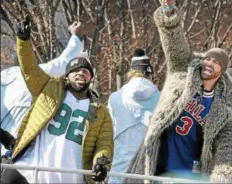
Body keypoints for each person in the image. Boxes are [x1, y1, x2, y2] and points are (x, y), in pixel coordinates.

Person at [125, 0, 232, 183]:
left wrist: (223, 178)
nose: (209, 63)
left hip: (189, 175)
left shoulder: (224, 109)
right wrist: (168, 11)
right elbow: (174, 42)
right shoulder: (182, 72)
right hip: (156, 164)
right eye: (207, 58)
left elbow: (227, 151)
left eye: (215, 62)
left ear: (221, 72)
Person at [1, 16, 113, 184]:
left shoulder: (100, 111)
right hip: (32, 170)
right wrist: (23, 41)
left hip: (70, 177)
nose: (80, 73)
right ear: (67, 76)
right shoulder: (49, 89)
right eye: (76, 70)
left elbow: (104, 143)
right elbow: (30, 69)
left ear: (91, 79)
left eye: (85, 71)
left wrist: (102, 162)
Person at [1, 21, 88, 156]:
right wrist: (76, 37)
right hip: (20, 148)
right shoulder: (34, 75)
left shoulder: (4, 80)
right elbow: (64, 62)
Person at [108, 48, 160, 183]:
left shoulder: (115, 98)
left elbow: (107, 134)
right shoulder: (162, 97)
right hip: (149, 168)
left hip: (119, 168)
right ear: (149, 74)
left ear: (131, 73)